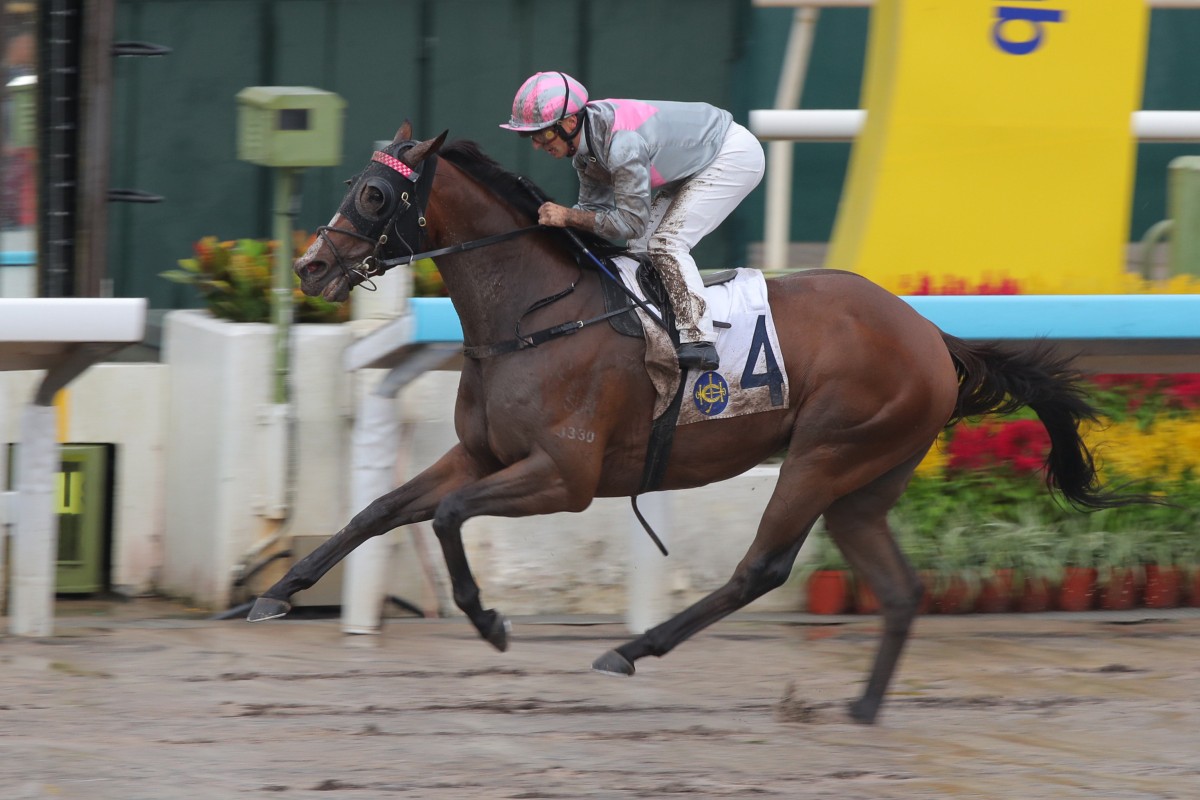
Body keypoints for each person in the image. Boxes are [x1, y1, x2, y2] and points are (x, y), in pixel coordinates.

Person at [500, 71, 765, 372]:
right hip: (692, 165)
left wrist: (568, 216)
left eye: (542, 133)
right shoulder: (585, 156)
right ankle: (657, 326)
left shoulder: (621, 145)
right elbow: (592, 211)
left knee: (666, 243)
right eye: (529, 136)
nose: (536, 144)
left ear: (569, 123)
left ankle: (699, 340)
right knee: (638, 249)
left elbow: (629, 222)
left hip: (731, 155)